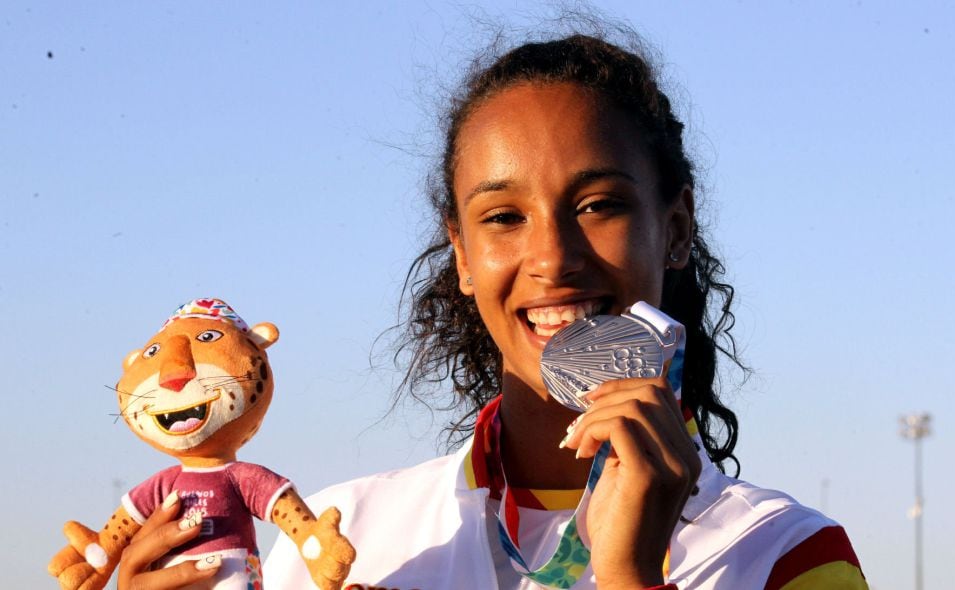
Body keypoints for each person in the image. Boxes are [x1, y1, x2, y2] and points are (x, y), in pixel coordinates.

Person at [117, 32, 869, 590]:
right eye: (504, 218)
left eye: (598, 205)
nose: (552, 258)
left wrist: (630, 577)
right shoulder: (348, 539)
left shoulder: (786, 553)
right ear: (463, 257)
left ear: (674, 229)